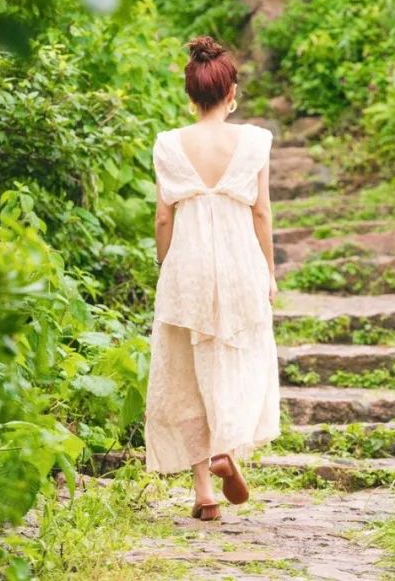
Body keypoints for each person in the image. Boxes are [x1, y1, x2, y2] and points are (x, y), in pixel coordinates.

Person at [145, 36, 279, 522]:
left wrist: (167, 267)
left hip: (188, 265)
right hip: (241, 261)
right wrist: (268, 269)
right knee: (240, 358)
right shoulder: (254, 140)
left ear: (190, 95)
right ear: (231, 93)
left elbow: (163, 219)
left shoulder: (168, 143)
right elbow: (261, 212)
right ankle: (227, 445)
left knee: (185, 373)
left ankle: (203, 491)